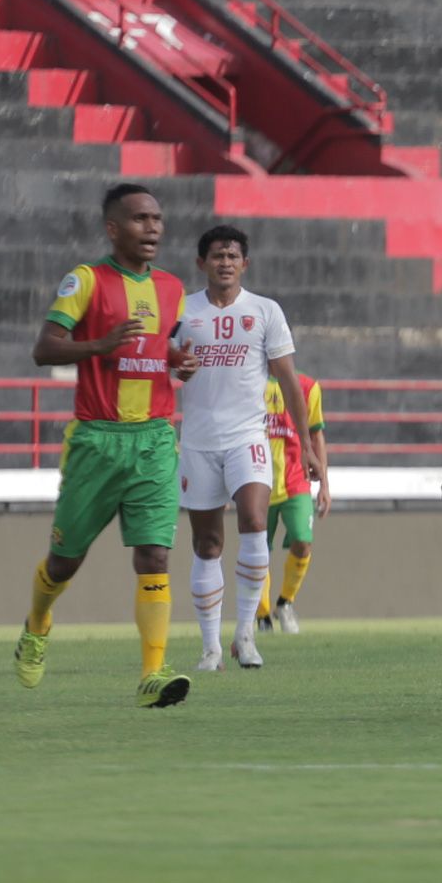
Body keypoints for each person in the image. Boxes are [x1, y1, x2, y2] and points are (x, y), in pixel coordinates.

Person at [15, 183, 201, 708]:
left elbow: (160, 346)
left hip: (156, 438)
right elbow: (43, 348)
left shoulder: (171, 288)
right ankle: (37, 624)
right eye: (141, 219)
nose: (153, 229)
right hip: (98, 438)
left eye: (158, 219)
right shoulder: (86, 280)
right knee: (64, 561)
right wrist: (98, 345)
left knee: (154, 555)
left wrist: (175, 361)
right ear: (113, 228)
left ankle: (153, 673)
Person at [174, 225, 313, 672]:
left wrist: (306, 444)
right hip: (198, 442)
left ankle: (247, 634)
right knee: (208, 543)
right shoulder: (183, 312)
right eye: (217, 255)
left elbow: (290, 382)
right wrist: (177, 368)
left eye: (233, 255)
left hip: (247, 437)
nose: (226, 262)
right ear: (202, 263)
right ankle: (211, 647)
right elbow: (162, 371)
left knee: (254, 520)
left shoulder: (266, 311)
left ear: (245, 264)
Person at [255, 369, 330, 634]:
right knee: (257, 551)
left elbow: (317, 435)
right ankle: (262, 615)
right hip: (257, 480)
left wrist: (324, 486)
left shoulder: (308, 386)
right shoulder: (249, 380)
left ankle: (285, 603)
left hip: (295, 480)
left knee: (303, 540)